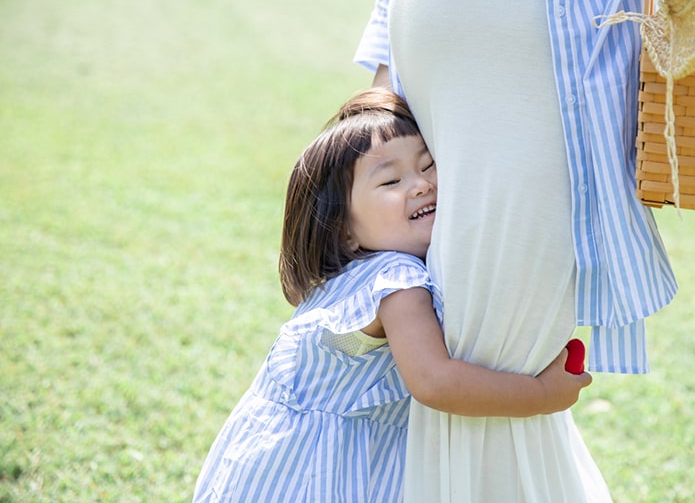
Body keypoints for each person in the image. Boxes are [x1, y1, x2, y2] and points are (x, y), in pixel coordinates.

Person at [355, 0, 679, 501]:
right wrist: (381, 102)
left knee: (487, 344)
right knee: (452, 339)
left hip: (535, 75)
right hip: (428, 99)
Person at [191, 88, 592, 502]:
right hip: (318, 474)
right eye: (391, 180)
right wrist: (541, 396)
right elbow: (435, 382)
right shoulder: (396, 281)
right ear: (343, 229)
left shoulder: (345, 280)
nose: (420, 186)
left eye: (428, 165)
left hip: (265, 460)